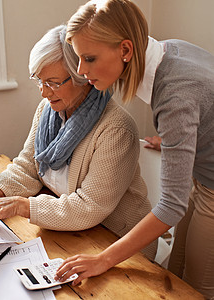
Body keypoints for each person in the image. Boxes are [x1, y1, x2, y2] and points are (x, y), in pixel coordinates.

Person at [54, 1, 214, 298]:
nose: (80, 70)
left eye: (89, 58)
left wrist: (103, 259)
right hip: (203, 178)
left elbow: (171, 206)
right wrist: (176, 141)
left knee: (196, 288)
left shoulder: (174, 94)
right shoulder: (169, 51)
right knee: (175, 274)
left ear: (125, 50)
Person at [0, 24, 157, 259]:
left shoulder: (116, 129)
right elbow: (28, 167)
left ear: (82, 77)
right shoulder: (48, 110)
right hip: (72, 236)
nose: (43, 92)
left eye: (52, 82)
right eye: (38, 80)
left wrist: (23, 206)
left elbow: (88, 207)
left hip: (118, 244)